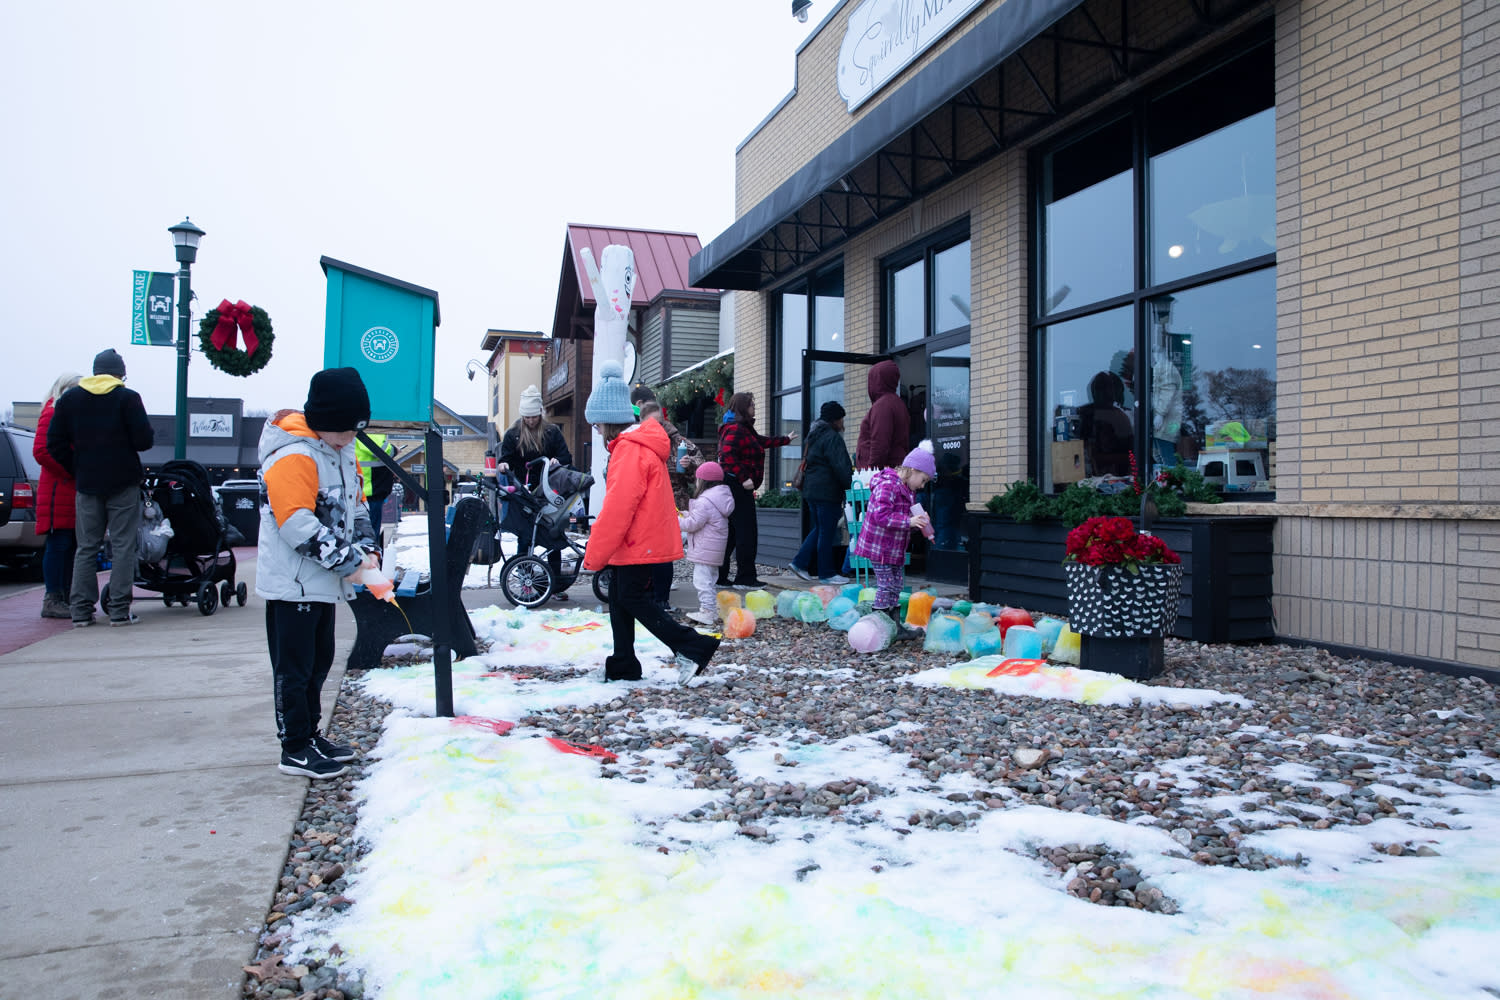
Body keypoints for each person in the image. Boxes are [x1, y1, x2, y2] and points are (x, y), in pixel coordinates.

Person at [256, 367, 378, 779]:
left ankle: (309, 735)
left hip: (324, 582)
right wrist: (351, 561)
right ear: (323, 421)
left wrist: (368, 548)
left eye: (355, 430)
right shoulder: (294, 454)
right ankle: (293, 745)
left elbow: (357, 505)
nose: (351, 439)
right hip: (294, 584)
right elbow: (296, 526)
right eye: (344, 430)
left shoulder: (339, 450)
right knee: (294, 667)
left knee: (320, 660)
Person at [580, 361, 720, 684]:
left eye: (598, 425)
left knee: (631, 598)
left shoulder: (629, 451)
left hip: (635, 541)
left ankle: (692, 647)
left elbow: (617, 509)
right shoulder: (635, 447)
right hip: (639, 540)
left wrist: (595, 553)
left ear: (609, 422)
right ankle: (623, 663)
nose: (597, 431)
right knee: (619, 596)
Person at [46, 349, 154, 627]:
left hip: (87, 484)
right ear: (120, 374)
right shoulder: (128, 399)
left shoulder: (71, 399)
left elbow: (54, 444)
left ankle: (81, 611)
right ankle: (118, 611)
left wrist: (78, 467)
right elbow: (144, 440)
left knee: (86, 547)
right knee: (122, 547)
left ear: (95, 371)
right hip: (123, 483)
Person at [850, 440, 935, 642]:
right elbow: (881, 516)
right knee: (886, 585)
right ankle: (879, 625)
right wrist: (909, 520)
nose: (922, 486)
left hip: (893, 548)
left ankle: (893, 626)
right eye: (923, 480)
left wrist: (917, 521)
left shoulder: (908, 491)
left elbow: (901, 518)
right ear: (912, 470)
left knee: (896, 584)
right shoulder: (888, 485)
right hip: (879, 547)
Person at [498, 384, 573, 600]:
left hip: (550, 490)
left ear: (540, 413)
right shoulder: (513, 435)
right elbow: (506, 458)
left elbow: (566, 457)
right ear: (522, 415)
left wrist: (558, 461)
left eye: (534, 416)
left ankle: (555, 585)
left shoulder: (551, 432)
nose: (531, 421)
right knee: (525, 537)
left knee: (553, 536)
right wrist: (503, 465)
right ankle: (527, 583)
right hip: (524, 491)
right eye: (527, 417)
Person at [715, 392, 794, 589]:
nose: (754, 408)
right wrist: (744, 479)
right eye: (751, 405)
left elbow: (761, 441)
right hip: (737, 487)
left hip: (736, 486)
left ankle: (720, 577)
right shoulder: (735, 429)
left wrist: (785, 440)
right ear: (743, 407)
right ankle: (745, 578)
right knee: (746, 533)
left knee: (733, 533)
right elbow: (726, 457)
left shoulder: (743, 429)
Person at [32, 372, 82, 619]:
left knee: (69, 544)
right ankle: (53, 598)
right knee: (59, 544)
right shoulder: (52, 412)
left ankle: (63, 596)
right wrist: (71, 469)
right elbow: (41, 451)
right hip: (58, 490)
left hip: (68, 490)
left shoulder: (64, 413)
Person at [788, 400, 853, 585]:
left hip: (812, 491)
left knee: (821, 529)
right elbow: (841, 466)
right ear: (835, 419)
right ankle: (826, 572)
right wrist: (851, 487)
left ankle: (799, 562)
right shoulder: (832, 437)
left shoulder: (813, 435)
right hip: (827, 492)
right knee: (827, 532)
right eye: (841, 419)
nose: (843, 423)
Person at [678, 461, 734, 626]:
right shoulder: (718, 498)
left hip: (705, 549)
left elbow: (693, 524)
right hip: (713, 550)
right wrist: (685, 514)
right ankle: (710, 609)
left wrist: (675, 520)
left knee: (702, 582)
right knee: (709, 581)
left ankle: (708, 612)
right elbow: (703, 518)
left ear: (703, 481)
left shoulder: (705, 501)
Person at [855, 359, 910, 470]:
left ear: (877, 380)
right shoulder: (897, 403)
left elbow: (880, 444)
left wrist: (872, 471)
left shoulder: (883, 405)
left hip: (882, 475)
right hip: (893, 470)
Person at [1078, 370, 1134, 476]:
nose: (1102, 392)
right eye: (1099, 388)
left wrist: (1100, 457)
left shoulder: (1120, 417)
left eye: (1104, 388)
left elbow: (1129, 454)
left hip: (1115, 475)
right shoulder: (1085, 413)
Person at [354, 432, 395, 541]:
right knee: (369, 534)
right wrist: (395, 450)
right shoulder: (372, 429)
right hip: (370, 490)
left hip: (367, 490)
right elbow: (384, 450)